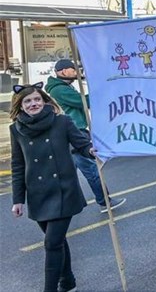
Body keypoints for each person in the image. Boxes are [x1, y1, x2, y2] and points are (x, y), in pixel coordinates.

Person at [10, 83, 95, 292]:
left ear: (45, 101)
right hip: (38, 194)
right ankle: (68, 281)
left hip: (64, 191)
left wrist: (92, 150)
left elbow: (81, 144)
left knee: (52, 243)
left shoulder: (62, 122)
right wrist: (18, 199)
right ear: (20, 106)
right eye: (28, 101)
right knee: (56, 241)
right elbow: (18, 165)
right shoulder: (16, 130)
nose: (33, 104)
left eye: (37, 99)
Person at [45, 59, 125, 213]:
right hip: (74, 133)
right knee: (91, 169)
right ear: (62, 72)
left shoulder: (63, 87)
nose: (76, 71)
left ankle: (62, 205)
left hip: (73, 132)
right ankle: (104, 202)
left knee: (67, 174)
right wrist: (102, 90)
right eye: (72, 69)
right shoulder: (59, 90)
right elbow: (82, 102)